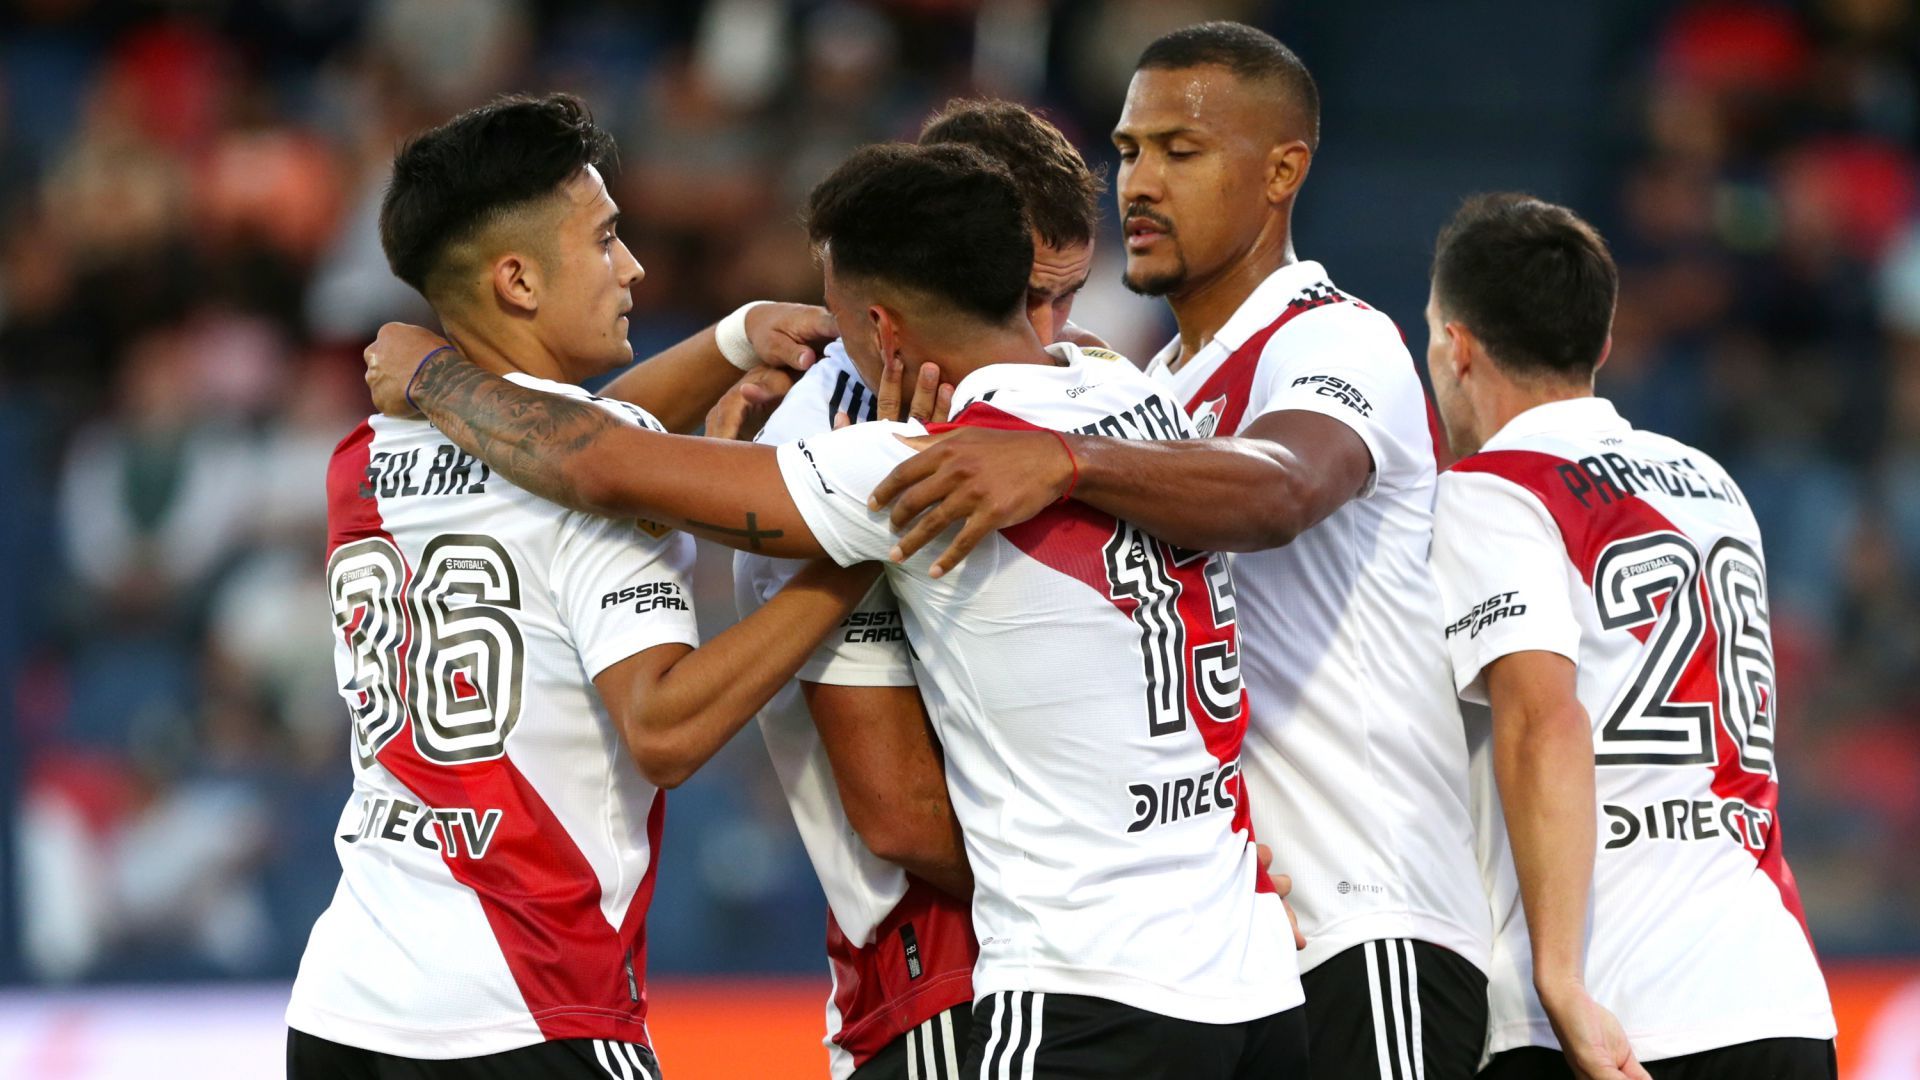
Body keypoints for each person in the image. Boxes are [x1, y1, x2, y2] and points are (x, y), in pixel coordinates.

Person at [364, 141, 1308, 1078]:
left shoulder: (902, 457)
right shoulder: (1132, 394)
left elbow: (599, 465)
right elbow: (1279, 487)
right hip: (1248, 963)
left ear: (882, 330)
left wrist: (432, 378)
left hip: (1052, 976)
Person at [864, 22, 1490, 1077]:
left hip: (1365, 916)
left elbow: (1285, 488)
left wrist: (1068, 461)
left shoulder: (1331, 337)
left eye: (1180, 151)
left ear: (1283, 170)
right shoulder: (1154, 391)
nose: (1139, 183)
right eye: (1128, 151)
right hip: (1237, 957)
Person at [286, 92, 878, 1080]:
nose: (634, 267)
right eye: (606, 239)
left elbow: (562, 441)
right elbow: (666, 728)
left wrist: (731, 342)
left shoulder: (360, 458)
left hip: (346, 1009)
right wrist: (857, 554)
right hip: (529, 1011)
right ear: (516, 279)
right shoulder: (600, 472)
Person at [723, 98, 1109, 1080]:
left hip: (1098, 951)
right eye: (1024, 298)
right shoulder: (820, 454)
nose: (1047, 335)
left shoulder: (1083, 390)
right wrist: (1128, 895)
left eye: (1068, 298)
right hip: (946, 962)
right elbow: (897, 811)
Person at [1423, 194, 1837, 1080]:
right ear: (1602, 344)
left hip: (1614, 1013)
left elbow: (1544, 721)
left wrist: (1561, 978)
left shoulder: (1494, 489)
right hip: (1776, 989)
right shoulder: (1711, 482)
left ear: (1456, 346)